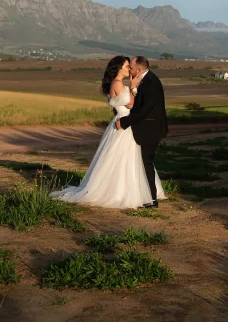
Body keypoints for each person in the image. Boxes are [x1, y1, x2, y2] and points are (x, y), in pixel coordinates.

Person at [51, 55, 165, 209]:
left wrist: (132, 87)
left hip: (129, 124)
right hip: (124, 125)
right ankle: (123, 193)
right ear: (119, 69)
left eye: (129, 66)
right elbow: (130, 105)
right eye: (126, 66)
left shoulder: (127, 83)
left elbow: (136, 105)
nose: (129, 69)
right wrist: (132, 87)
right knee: (126, 161)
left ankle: (142, 194)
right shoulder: (117, 84)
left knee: (135, 161)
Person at [115, 55, 168, 207]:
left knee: (146, 163)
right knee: (144, 163)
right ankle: (146, 197)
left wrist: (125, 121)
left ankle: (151, 200)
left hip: (150, 129)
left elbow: (145, 109)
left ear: (138, 69)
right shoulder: (145, 79)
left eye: (130, 67)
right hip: (148, 128)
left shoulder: (150, 82)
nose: (129, 69)